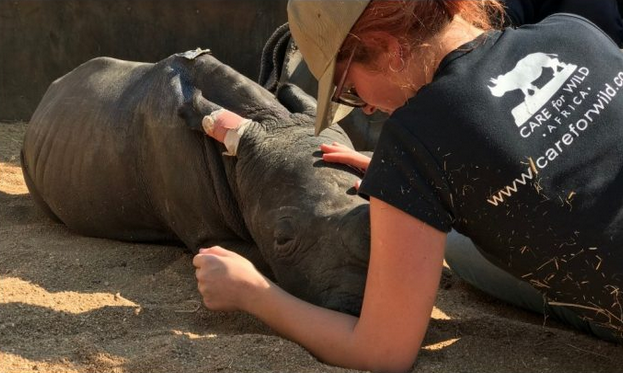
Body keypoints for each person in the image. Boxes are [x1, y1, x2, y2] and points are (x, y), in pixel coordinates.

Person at [193, 1, 623, 371]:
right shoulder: (573, 30)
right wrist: (415, 182)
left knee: (460, 250)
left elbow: (382, 352)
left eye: (347, 90)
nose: (367, 105)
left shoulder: (415, 138)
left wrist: (252, 293)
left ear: (388, 48)